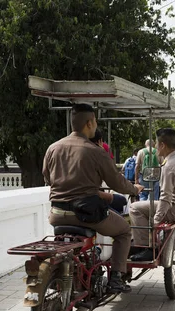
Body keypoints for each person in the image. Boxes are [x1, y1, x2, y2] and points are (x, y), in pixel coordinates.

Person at [42, 104, 143, 293]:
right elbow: (117, 183)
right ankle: (116, 279)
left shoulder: (52, 148)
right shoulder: (96, 151)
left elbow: (47, 177)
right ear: (89, 123)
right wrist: (134, 188)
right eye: (95, 122)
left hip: (56, 213)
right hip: (86, 213)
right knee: (123, 231)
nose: (95, 126)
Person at [129, 128, 175, 261]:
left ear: (162, 145)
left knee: (135, 208)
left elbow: (165, 198)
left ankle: (145, 248)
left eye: (156, 144)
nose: (155, 147)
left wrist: (156, 221)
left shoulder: (169, 165)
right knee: (147, 206)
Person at [90, 130, 128, 215]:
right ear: (100, 141)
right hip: (91, 197)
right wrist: (134, 190)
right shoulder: (102, 150)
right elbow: (112, 173)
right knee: (121, 201)